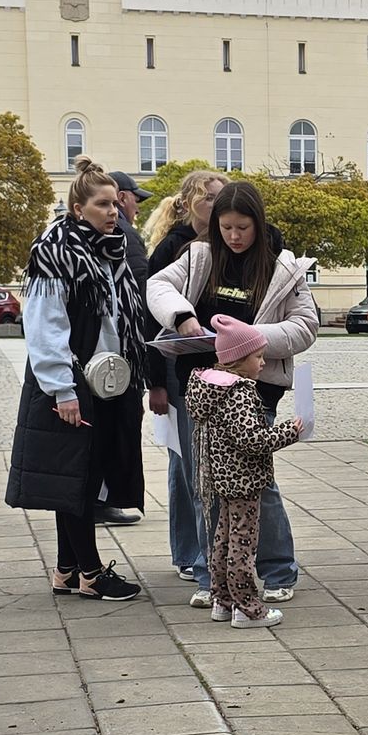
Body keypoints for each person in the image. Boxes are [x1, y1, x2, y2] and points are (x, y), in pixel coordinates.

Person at [146, 181, 318, 605]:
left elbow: (305, 326)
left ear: (258, 224)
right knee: (203, 480)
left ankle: (277, 570)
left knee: (257, 481)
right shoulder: (199, 256)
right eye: (226, 228)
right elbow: (157, 286)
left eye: (243, 227)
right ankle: (211, 577)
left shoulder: (283, 268)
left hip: (255, 389)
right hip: (201, 387)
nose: (234, 236)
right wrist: (182, 316)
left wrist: (249, 339)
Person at [5, 156, 148, 601]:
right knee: (79, 478)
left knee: (79, 474)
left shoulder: (108, 250)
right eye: (103, 204)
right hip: (71, 382)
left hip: (103, 380)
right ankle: (90, 573)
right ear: (77, 209)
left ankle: (66, 570)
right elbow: (45, 327)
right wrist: (62, 390)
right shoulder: (56, 252)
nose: (113, 212)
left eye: (115, 204)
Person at [186, 314, 303, 627]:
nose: (263, 363)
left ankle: (222, 601)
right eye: (258, 357)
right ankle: (248, 608)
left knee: (223, 541)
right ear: (238, 359)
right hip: (243, 480)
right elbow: (252, 440)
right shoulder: (240, 392)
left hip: (221, 478)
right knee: (243, 545)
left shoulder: (209, 387)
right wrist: (290, 431)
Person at [144, 169, 225, 602]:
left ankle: (198, 551)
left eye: (221, 197)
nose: (216, 204)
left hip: (215, 366)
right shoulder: (173, 248)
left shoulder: (225, 243)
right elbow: (151, 318)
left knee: (194, 466)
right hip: (180, 370)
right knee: (186, 466)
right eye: (209, 197)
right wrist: (155, 382)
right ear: (191, 201)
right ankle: (191, 554)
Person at [92, 169, 153, 525]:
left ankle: (100, 499)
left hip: (110, 351)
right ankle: (102, 499)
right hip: (118, 353)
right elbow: (140, 291)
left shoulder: (115, 235)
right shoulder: (123, 236)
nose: (135, 208)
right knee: (113, 428)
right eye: (134, 200)